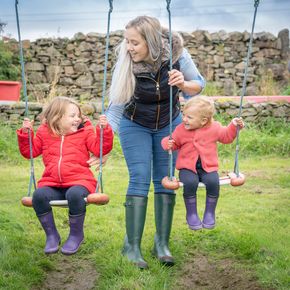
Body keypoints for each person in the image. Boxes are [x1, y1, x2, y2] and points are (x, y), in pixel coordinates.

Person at [106, 16, 205, 269]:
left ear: (151, 41)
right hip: (134, 122)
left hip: (168, 124)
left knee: (165, 179)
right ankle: (132, 247)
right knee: (139, 177)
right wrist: (102, 144)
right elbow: (116, 108)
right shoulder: (126, 61)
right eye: (127, 41)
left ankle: (161, 244)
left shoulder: (177, 54)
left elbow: (198, 86)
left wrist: (183, 82)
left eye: (134, 42)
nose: (129, 47)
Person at [17, 96, 113, 255]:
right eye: (72, 116)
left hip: (80, 182)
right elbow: (29, 152)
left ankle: (76, 235)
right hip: (52, 182)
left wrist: (104, 130)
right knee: (39, 195)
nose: (78, 119)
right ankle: (52, 235)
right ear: (57, 117)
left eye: (78, 115)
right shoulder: (44, 133)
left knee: (74, 194)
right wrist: (25, 134)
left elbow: (100, 149)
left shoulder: (85, 131)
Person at [161, 96, 244, 231]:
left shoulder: (214, 128)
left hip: (208, 167)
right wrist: (167, 143)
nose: (184, 119)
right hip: (187, 168)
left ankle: (209, 213)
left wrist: (234, 126)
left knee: (213, 182)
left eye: (189, 117)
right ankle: (191, 214)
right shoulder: (181, 129)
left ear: (203, 120)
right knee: (190, 182)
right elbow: (173, 142)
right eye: (184, 115)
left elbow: (226, 137)